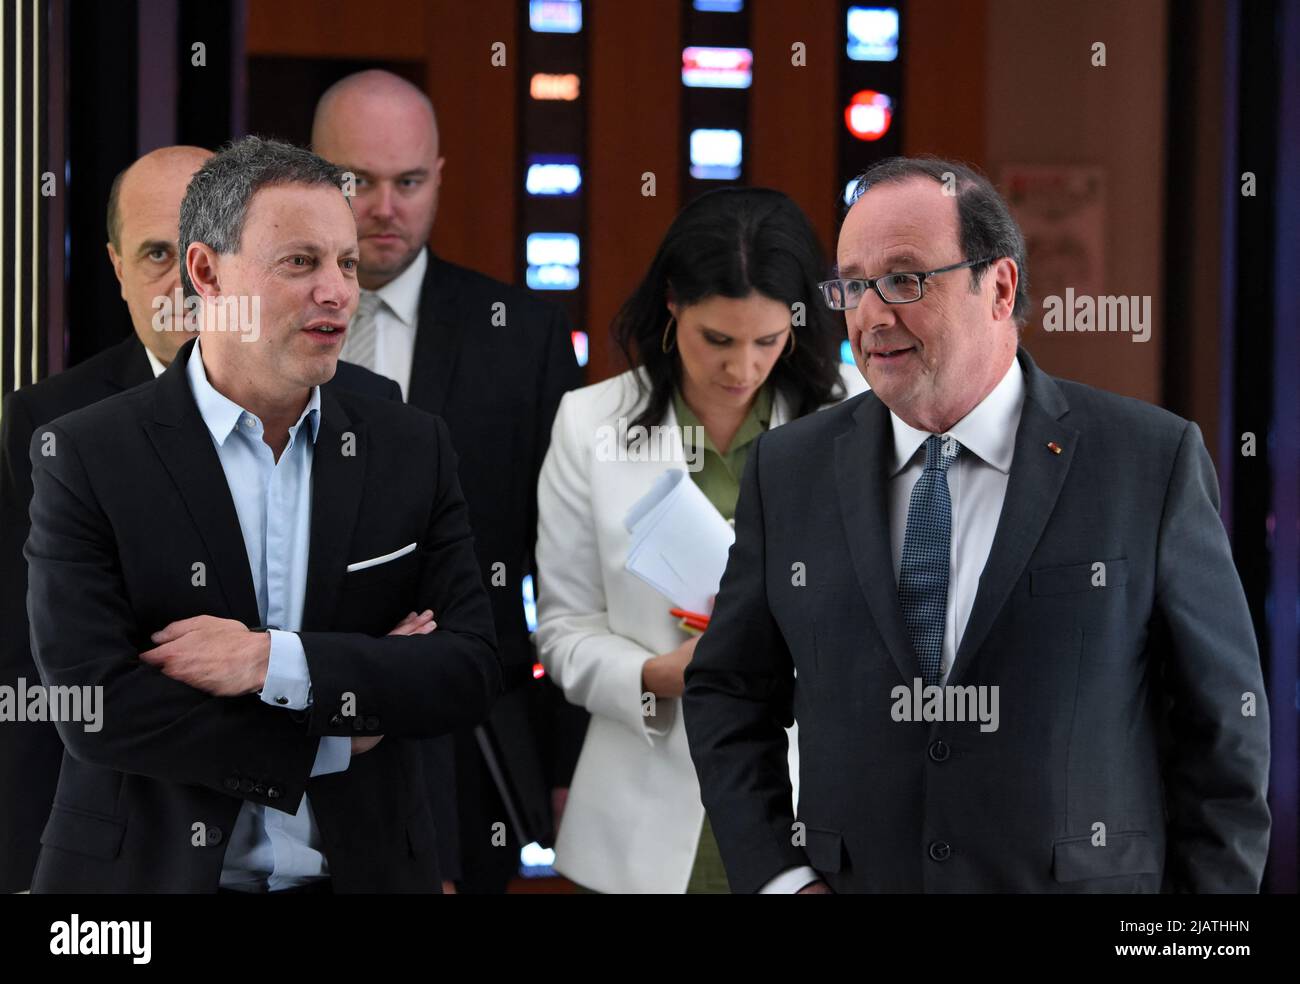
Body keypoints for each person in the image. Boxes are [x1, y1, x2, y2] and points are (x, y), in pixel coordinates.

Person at [683, 157, 1271, 893]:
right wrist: (782, 878)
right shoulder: (790, 470)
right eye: (852, 286)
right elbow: (728, 691)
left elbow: (1225, 736)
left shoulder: (1147, 462)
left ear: (998, 286)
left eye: (904, 279)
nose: (870, 314)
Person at [24, 136, 499, 893]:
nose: (339, 292)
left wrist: (270, 663)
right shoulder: (87, 453)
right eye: (300, 262)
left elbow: (469, 668)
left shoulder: (409, 442)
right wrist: (343, 726)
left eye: (346, 263)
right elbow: (97, 706)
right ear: (207, 272)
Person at [535, 188, 866, 893]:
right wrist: (662, 674)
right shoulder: (588, 423)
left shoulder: (856, 415)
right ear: (672, 304)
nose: (742, 368)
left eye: (767, 341)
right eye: (718, 339)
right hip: (639, 824)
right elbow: (563, 632)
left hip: (820, 805)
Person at [311, 69, 584, 893]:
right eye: (356, 181)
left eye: (409, 181)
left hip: (468, 740)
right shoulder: (247, 329)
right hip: (286, 710)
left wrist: (566, 757)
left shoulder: (522, 335)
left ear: (440, 177)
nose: (384, 208)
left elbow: (568, 563)